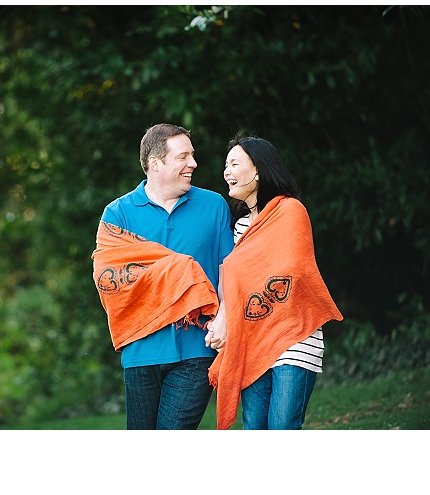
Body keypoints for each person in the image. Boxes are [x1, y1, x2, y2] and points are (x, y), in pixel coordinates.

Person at [92, 123, 234, 429]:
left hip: (197, 348)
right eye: (183, 157)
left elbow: (230, 272)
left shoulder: (214, 206)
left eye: (192, 156)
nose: (193, 164)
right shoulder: (119, 214)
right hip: (141, 348)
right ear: (156, 164)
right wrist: (180, 270)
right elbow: (109, 281)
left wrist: (224, 317)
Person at [205, 132, 343, 430]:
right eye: (225, 165)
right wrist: (223, 318)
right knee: (254, 427)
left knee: (282, 427)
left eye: (234, 164)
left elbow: (293, 270)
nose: (226, 172)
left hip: (294, 338)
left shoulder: (291, 211)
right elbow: (236, 282)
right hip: (252, 342)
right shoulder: (240, 225)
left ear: (257, 169)